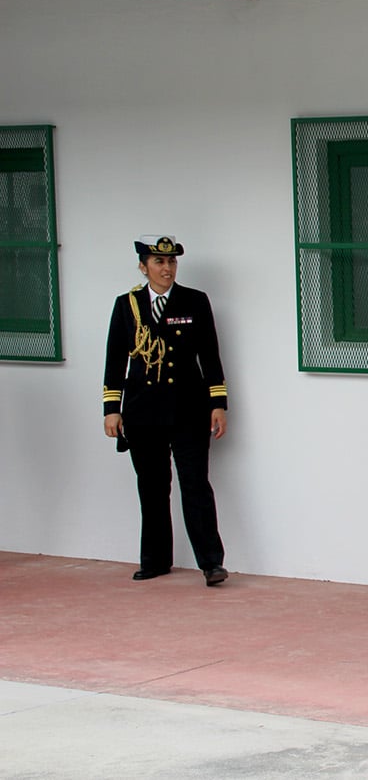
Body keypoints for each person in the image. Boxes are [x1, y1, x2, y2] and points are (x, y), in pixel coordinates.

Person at [102, 235, 230, 587]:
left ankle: (211, 563)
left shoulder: (195, 301)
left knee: (195, 485)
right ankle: (155, 560)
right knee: (152, 487)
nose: (167, 268)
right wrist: (112, 408)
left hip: (188, 409)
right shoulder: (127, 305)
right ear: (143, 267)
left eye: (172, 261)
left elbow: (210, 355)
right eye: (159, 262)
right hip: (142, 412)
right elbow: (115, 359)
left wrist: (218, 403)